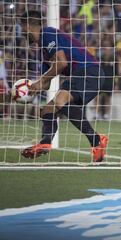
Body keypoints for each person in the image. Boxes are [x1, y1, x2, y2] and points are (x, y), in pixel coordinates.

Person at [19, 11, 108, 161]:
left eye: (21, 27)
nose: (21, 32)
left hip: (88, 71)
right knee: (47, 109)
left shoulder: (47, 34)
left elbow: (62, 63)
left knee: (61, 100)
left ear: (27, 25)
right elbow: (45, 85)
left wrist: (39, 82)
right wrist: (30, 90)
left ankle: (97, 140)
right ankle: (46, 143)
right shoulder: (44, 52)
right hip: (81, 75)